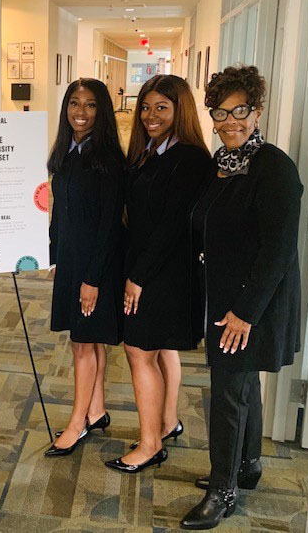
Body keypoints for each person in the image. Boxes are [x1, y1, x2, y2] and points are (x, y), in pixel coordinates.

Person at [180, 65, 303, 529]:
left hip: (251, 304)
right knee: (243, 385)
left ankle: (222, 491)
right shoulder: (224, 162)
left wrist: (245, 313)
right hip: (227, 297)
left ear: (257, 111)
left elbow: (277, 250)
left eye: (240, 111)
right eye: (220, 111)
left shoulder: (273, 167)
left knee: (228, 393)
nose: (230, 121)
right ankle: (246, 467)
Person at [105, 75, 210, 474]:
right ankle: (167, 422)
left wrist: (138, 277)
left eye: (161, 108)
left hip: (165, 271)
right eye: (146, 107)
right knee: (162, 348)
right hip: (150, 264)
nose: (150, 116)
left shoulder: (190, 158)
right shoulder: (149, 150)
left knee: (139, 352)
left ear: (179, 110)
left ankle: (150, 444)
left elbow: (171, 225)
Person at [44, 78, 126, 457]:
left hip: (96, 265)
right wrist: (56, 257)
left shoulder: (107, 158)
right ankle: (96, 410)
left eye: (90, 105)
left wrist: (92, 279)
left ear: (102, 111)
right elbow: (60, 212)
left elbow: (110, 224)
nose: (80, 112)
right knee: (87, 338)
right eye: (74, 103)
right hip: (72, 260)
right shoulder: (67, 152)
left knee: (81, 344)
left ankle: (77, 423)